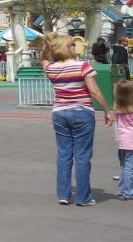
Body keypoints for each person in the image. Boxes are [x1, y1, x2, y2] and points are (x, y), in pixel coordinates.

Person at [42, 33, 113, 206]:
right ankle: (83, 197)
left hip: (59, 113)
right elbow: (95, 91)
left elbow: (43, 58)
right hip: (82, 112)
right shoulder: (83, 66)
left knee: (64, 154)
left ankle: (63, 195)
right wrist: (107, 111)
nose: (75, 47)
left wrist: (47, 44)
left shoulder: (51, 68)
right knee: (82, 155)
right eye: (72, 45)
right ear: (67, 48)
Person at [113, 80, 133, 200]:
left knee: (124, 166)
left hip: (122, 141)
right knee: (130, 168)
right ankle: (129, 191)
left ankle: (122, 189)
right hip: (131, 142)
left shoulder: (118, 108)